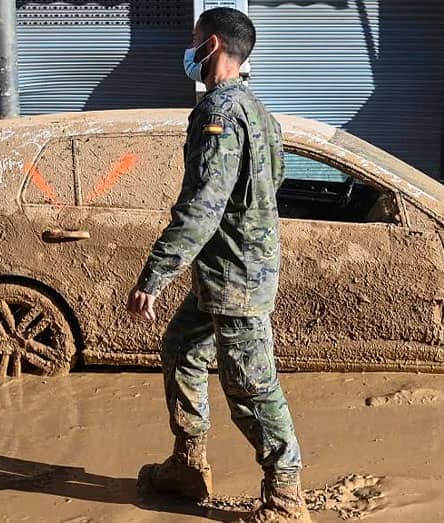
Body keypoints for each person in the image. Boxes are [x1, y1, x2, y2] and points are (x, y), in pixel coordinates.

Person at [125, 7, 310, 523]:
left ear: (211, 47)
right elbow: (272, 184)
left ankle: (286, 497)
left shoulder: (221, 116)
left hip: (236, 277)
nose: (188, 52)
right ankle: (188, 464)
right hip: (226, 271)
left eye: (192, 42)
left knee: (251, 385)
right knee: (181, 347)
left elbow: (203, 205)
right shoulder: (258, 112)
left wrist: (156, 274)